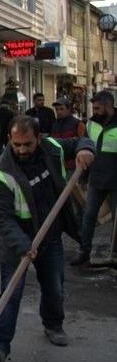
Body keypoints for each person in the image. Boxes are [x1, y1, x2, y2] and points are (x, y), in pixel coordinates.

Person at [0, 115, 94, 362]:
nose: (22, 150)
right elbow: (2, 219)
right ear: (9, 140)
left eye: (27, 144)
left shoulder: (52, 147)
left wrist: (85, 149)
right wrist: (24, 246)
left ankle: (53, 324)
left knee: (54, 285)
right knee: (10, 294)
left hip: (50, 234)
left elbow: (81, 141)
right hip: (16, 242)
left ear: (38, 139)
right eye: (17, 144)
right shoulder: (0, 172)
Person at [70, 90, 117, 267]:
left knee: (116, 221)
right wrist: (83, 175)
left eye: (97, 108)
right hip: (96, 179)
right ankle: (84, 252)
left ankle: (115, 254)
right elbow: (86, 146)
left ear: (108, 106)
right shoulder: (91, 124)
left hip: (115, 180)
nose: (94, 111)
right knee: (88, 216)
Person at [50, 97, 87, 171]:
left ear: (68, 109)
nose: (59, 112)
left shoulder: (78, 124)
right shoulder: (54, 125)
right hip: (58, 166)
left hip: (73, 166)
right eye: (56, 109)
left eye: (61, 109)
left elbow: (84, 144)